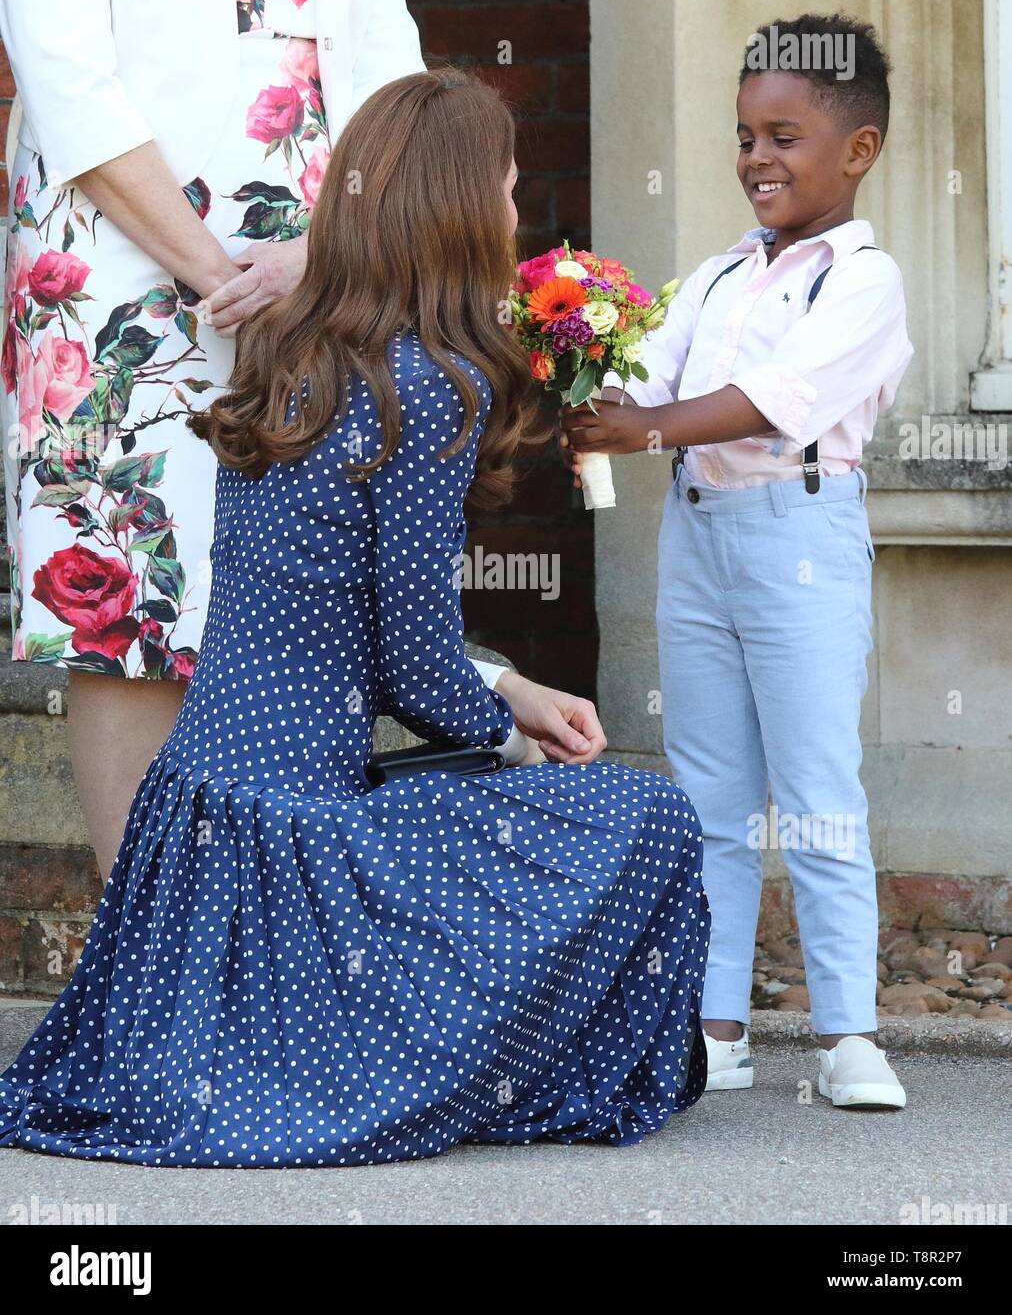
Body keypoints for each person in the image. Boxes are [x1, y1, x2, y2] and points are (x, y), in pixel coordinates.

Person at [0, 70, 710, 1166]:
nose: (517, 216)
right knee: (643, 815)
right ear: (465, 208)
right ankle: (530, 1070)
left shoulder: (296, 355)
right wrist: (518, 741)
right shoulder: (432, 387)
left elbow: (342, 623)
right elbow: (415, 671)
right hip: (295, 838)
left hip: (187, 833)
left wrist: (508, 687)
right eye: (510, 190)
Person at [0, 0, 424, 881]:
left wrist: (319, 264)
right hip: (118, 282)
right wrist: (218, 276)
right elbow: (67, 81)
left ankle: (269, 958)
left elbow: (402, 99)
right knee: (132, 610)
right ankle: (147, 965)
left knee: (298, 593)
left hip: (319, 280)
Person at [561, 15, 914, 1108]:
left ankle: (849, 1032)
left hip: (798, 535)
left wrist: (647, 430)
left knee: (815, 787)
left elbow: (776, 401)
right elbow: (645, 380)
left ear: (854, 151)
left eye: (783, 136)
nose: (755, 157)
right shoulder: (715, 277)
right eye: (742, 136)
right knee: (710, 789)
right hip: (698, 533)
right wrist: (575, 367)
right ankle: (717, 1028)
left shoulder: (862, 280)